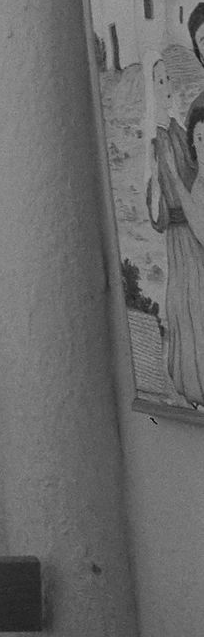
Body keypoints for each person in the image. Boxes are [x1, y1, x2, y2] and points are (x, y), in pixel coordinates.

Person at [147, 42, 204, 409]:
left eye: (168, 78)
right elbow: (156, 210)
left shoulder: (179, 128)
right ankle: (194, 385)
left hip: (197, 225)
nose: (166, 85)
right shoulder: (157, 141)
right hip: (180, 234)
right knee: (188, 304)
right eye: (160, 80)